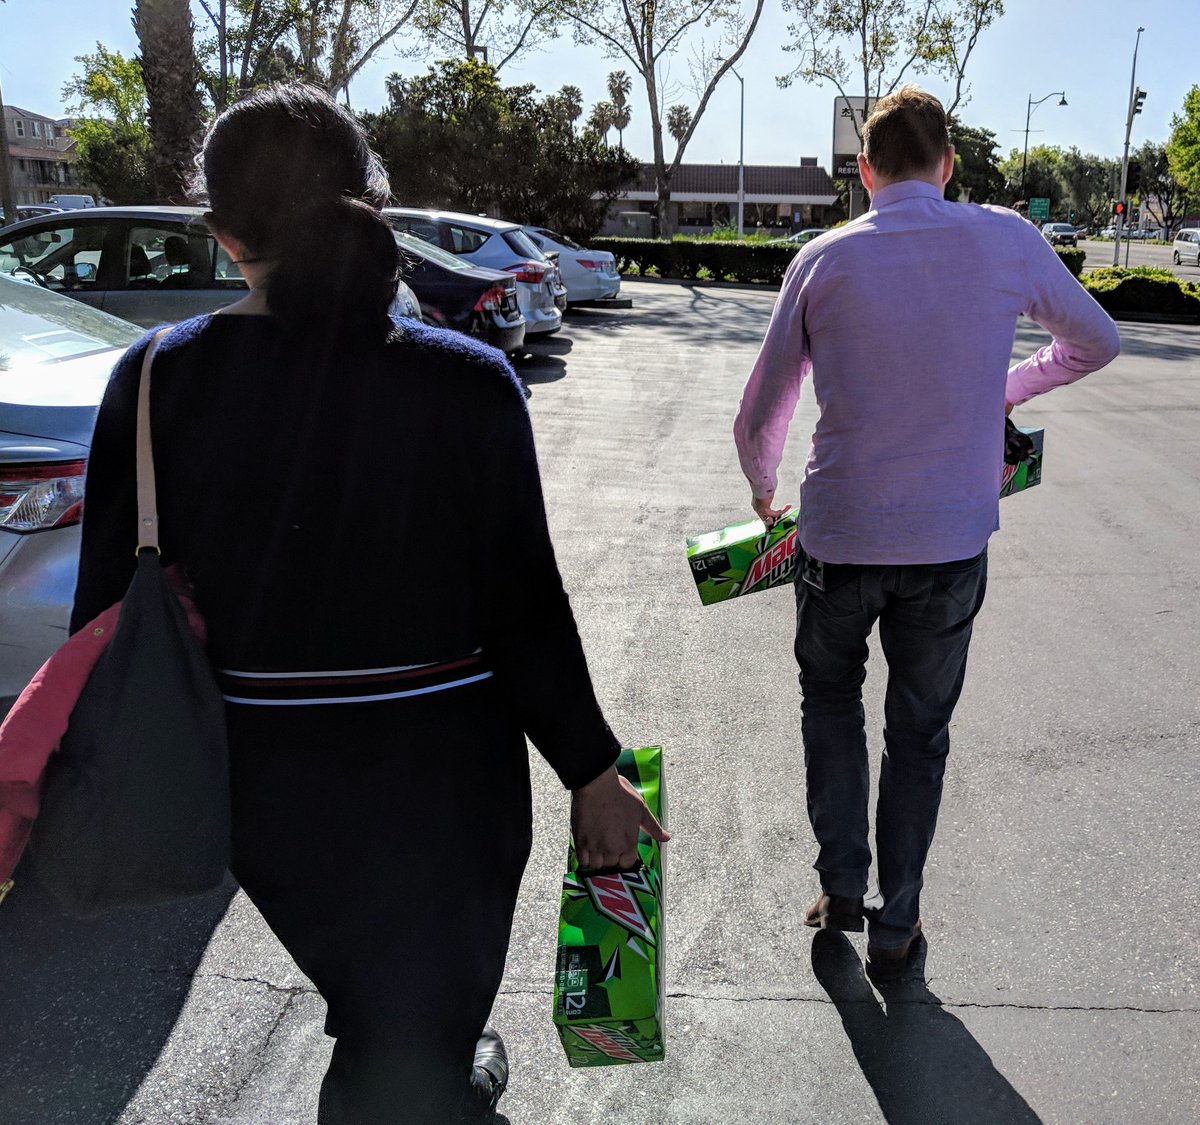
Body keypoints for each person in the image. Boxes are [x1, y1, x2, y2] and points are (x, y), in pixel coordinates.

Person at [70, 84, 667, 1123]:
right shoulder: (466, 382)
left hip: (263, 791)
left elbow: (102, 624)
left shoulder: (155, 379)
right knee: (404, 1055)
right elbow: (523, 607)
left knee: (383, 1003)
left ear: (220, 237)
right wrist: (594, 770)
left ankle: (440, 1060)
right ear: (373, 209)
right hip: (447, 783)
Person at [733, 85, 1119, 983]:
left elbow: (764, 409)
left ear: (864, 173)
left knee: (829, 704)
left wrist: (763, 494)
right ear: (948, 166)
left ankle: (839, 888)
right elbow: (1094, 340)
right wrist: (1007, 388)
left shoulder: (824, 260)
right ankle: (897, 924)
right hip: (949, 545)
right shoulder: (1006, 240)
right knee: (919, 735)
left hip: (836, 538)